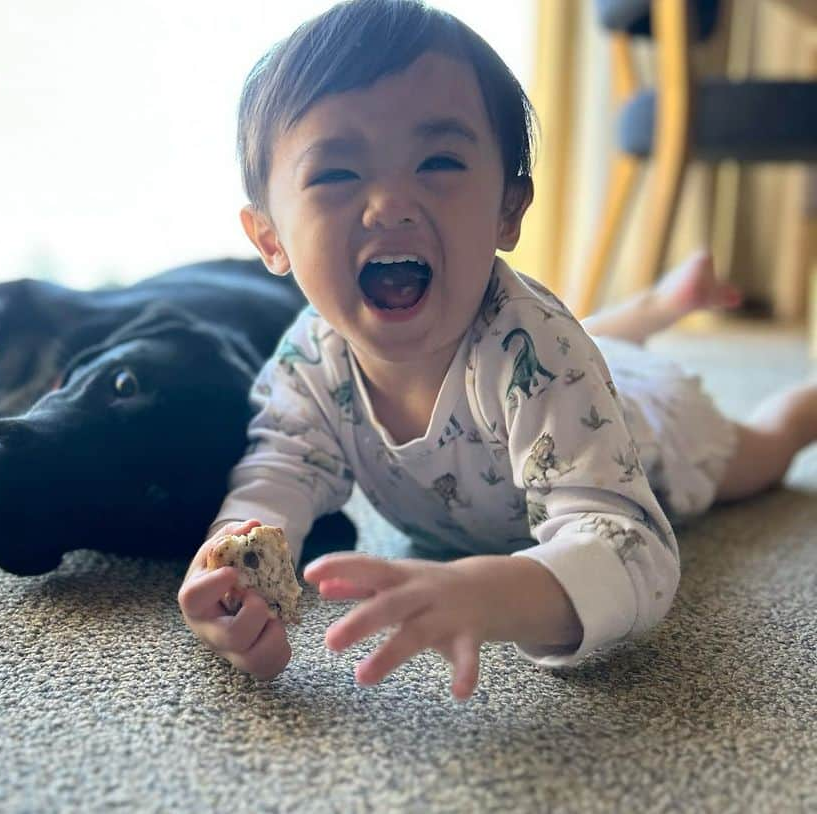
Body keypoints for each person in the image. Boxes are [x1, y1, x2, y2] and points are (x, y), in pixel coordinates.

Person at [177, 0, 817, 700]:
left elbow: (631, 552)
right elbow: (277, 473)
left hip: (647, 423)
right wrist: (228, 574)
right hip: (575, 363)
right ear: (270, 237)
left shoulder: (540, 354)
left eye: (439, 161)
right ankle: (661, 304)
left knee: (760, 451)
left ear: (508, 211)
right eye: (336, 174)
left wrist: (496, 591)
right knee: (582, 341)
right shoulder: (309, 362)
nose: (389, 203)